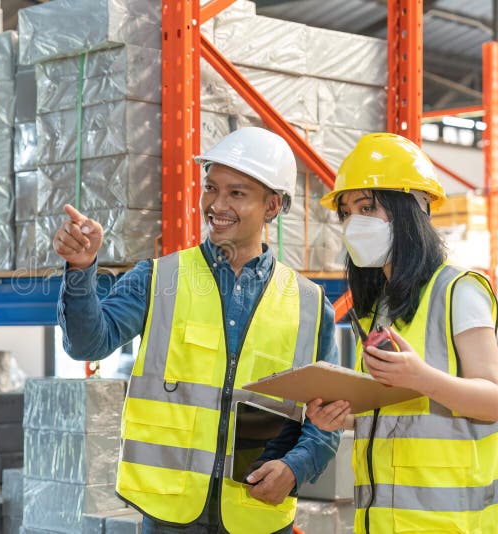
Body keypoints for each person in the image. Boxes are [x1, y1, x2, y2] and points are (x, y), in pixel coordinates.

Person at [54, 127, 341, 533]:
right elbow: (87, 344)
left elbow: (326, 418)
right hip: (170, 514)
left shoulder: (310, 305)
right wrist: (82, 271)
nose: (216, 205)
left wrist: (295, 469)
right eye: (211, 188)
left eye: (236, 193)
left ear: (273, 205)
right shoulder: (158, 278)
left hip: (258, 515)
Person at [305, 133, 498, 533]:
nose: (353, 223)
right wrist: (340, 418)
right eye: (345, 212)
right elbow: (400, 413)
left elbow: (492, 401)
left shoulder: (458, 291)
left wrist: (420, 377)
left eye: (367, 207)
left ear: (411, 210)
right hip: (387, 521)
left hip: (456, 523)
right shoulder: (379, 305)